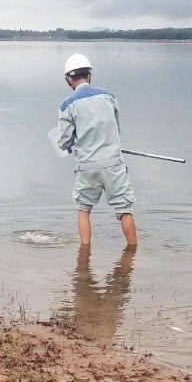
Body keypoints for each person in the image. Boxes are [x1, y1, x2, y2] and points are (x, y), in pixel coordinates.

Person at [56, 53, 137, 247]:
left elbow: (65, 141)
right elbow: (117, 130)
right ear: (89, 75)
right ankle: (133, 252)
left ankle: (84, 253)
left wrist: (66, 144)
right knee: (124, 209)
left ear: (68, 79)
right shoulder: (109, 96)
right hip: (113, 164)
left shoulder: (67, 105)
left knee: (83, 209)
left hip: (87, 167)